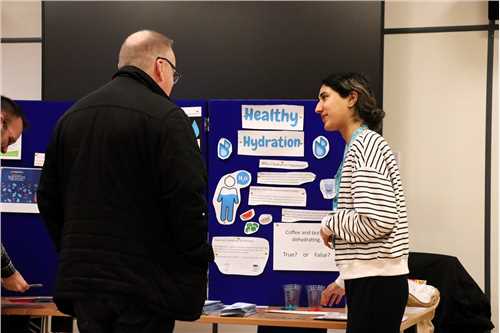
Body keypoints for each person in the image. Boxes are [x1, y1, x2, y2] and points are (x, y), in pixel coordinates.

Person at [37, 30, 213, 333]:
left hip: (86, 285)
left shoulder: (72, 117)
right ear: (160, 67)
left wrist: (73, 249)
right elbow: (187, 200)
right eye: (174, 72)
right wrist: (195, 258)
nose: (173, 82)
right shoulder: (167, 119)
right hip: (146, 286)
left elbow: (47, 198)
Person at [316, 73, 409, 333]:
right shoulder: (361, 145)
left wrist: (329, 223)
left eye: (325, 97)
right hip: (372, 281)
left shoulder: (364, 147)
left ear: (351, 98)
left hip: (376, 284)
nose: (318, 107)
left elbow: (378, 220)